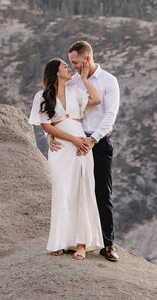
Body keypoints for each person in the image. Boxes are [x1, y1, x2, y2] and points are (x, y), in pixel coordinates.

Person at [48, 40, 121, 262]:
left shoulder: (109, 81)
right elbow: (59, 110)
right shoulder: (72, 83)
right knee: (76, 191)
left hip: (99, 142)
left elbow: (110, 115)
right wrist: (50, 133)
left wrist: (93, 139)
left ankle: (107, 244)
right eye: (70, 63)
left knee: (102, 192)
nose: (73, 67)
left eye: (76, 63)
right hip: (74, 143)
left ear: (87, 59)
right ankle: (73, 240)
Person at [29, 57, 103, 259]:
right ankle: (60, 241)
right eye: (64, 66)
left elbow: (96, 100)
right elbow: (46, 125)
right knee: (62, 193)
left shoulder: (76, 92)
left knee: (81, 192)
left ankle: (81, 244)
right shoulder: (42, 97)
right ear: (55, 72)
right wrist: (73, 140)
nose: (69, 68)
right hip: (62, 149)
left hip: (81, 150)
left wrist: (85, 79)